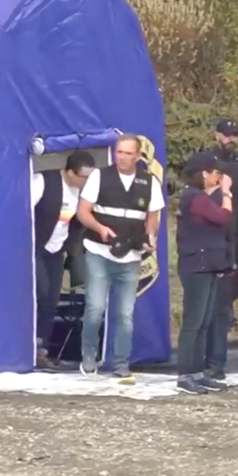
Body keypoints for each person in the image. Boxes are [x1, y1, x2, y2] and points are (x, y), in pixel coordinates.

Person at [76, 134, 166, 382]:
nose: (122, 157)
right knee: (95, 307)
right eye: (119, 152)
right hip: (99, 251)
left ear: (138, 156)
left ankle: (121, 363)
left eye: (128, 153)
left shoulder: (149, 183)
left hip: (131, 255)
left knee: (125, 313)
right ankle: (88, 356)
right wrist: (100, 228)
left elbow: (152, 217)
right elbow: (83, 212)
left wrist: (151, 235)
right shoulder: (99, 176)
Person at [175, 152, 233, 394]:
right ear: (204, 173)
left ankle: (197, 371)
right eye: (215, 172)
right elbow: (222, 217)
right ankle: (185, 373)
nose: (219, 177)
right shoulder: (193, 197)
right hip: (195, 265)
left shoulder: (198, 198)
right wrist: (227, 193)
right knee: (193, 321)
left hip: (206, 263)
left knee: (204, 320)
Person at [32, 150, 96, 368]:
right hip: (36, 247)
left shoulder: (84, 193)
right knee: (39, 291)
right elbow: (23, 212)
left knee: (51, 299)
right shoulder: (43, 181)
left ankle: (43, 348)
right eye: (81, 177)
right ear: (69, 172)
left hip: (57, 249)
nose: (85, 181)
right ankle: (27, 344)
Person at [206, 117, 238, 379]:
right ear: (217, 136)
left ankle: (226, 306)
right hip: (221, 228)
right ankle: (221, 313)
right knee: (224, 274)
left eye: (234, 135)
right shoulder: (209, 162)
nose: (230, 140)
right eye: (226, 135)